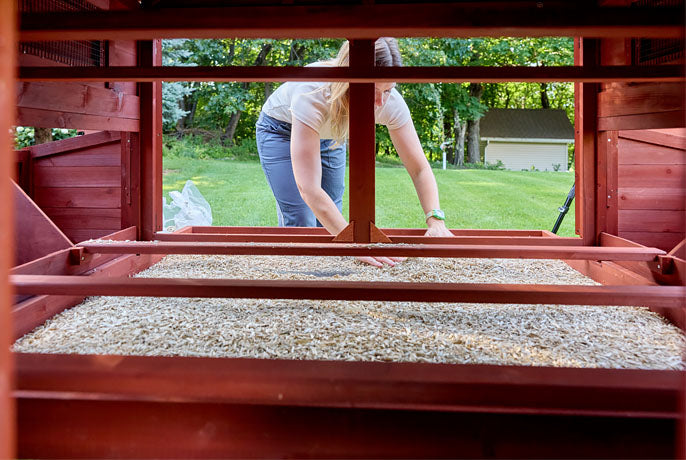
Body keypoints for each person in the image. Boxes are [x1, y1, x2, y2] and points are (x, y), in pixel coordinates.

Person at [256, 37, 453, 267]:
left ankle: (334, 283)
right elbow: (308, 188)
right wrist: (354, 244)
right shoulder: (313, 92)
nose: (380, 102)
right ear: (348, 81)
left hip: (330, 135)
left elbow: (419, 168)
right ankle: (302, 287)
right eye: (373, 89)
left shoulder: (390, 102)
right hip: (280, 130)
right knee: (301, 218)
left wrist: (435, 218)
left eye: (389, 89)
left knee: (334, 223)